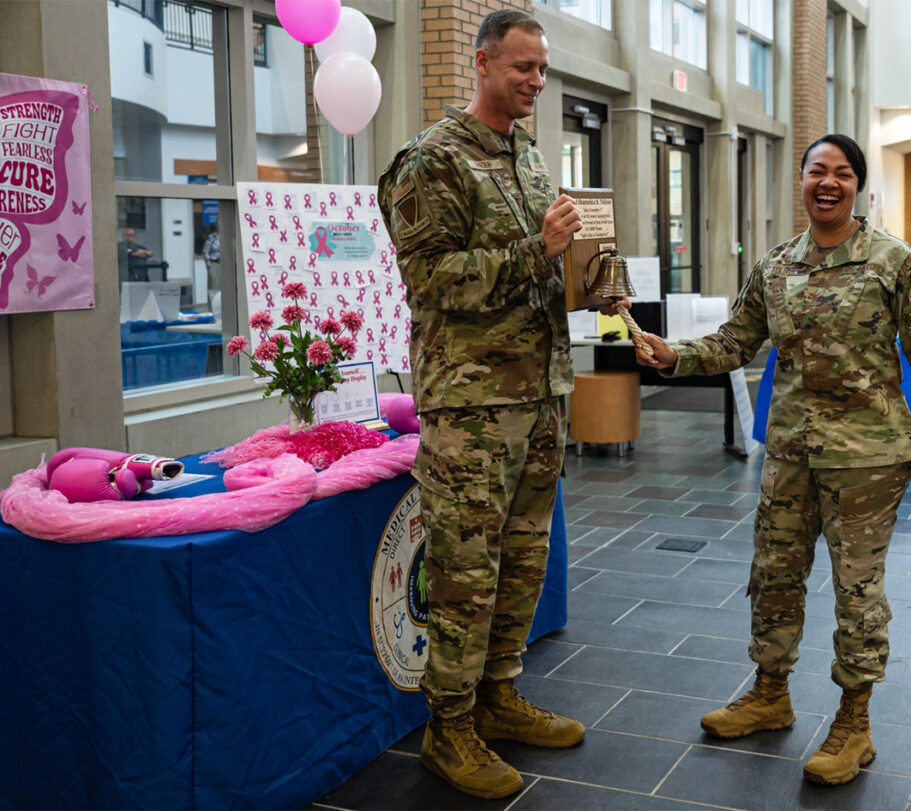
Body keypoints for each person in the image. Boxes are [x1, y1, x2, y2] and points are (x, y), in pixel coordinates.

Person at [634, 134, 911, 787]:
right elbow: (737, 339)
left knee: (858, 593)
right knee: (775, 577)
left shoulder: (894, 263)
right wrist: (675, 356)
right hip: (790, 451)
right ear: (802, 179)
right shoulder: (777, 263)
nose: (828, 182)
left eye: (842, 174)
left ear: (858, 187)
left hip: (867, 460)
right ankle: (769, 692)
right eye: (817, 170)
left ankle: (854, 721)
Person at [378, 9, 616, 800]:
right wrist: (536, 250)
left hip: (540, 394)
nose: (537, 83)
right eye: (524, 69)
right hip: (472, 408)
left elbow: (554, 268)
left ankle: (497, 695)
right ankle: (449, 728)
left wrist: (594, 278)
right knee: (464, 569)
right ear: (481, 64)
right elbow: (432, 282)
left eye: (543, 70)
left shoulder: (531, 157)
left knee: (522, 560)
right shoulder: (429, 162)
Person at [203, 226, 221, 309]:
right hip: (215, 263)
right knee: (214, 288)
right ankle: (213, 309)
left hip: (227, 265)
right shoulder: (212, 237)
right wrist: (208, 261)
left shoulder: (230, 236)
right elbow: (205, 250)